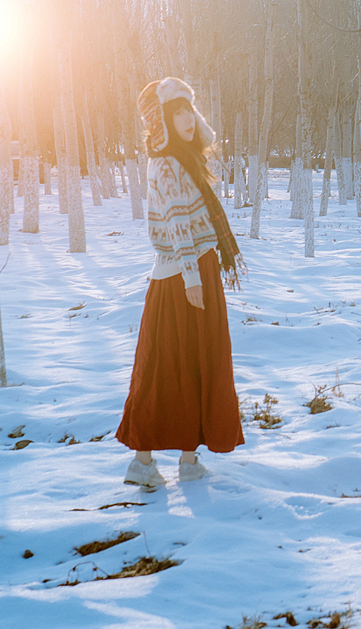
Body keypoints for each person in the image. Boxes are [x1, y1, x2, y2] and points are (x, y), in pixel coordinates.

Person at [116, 77, 245, 492]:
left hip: (197, 267)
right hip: (181, 274)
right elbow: (176, 223)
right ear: (162, 121)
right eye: (177, 113)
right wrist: (192, 276)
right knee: (165, 366)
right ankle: (142, 461)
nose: (188, 119)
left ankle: (189, 460)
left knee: (197, 364)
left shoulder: (183, 158)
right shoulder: (166, 164)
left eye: (190, 109)